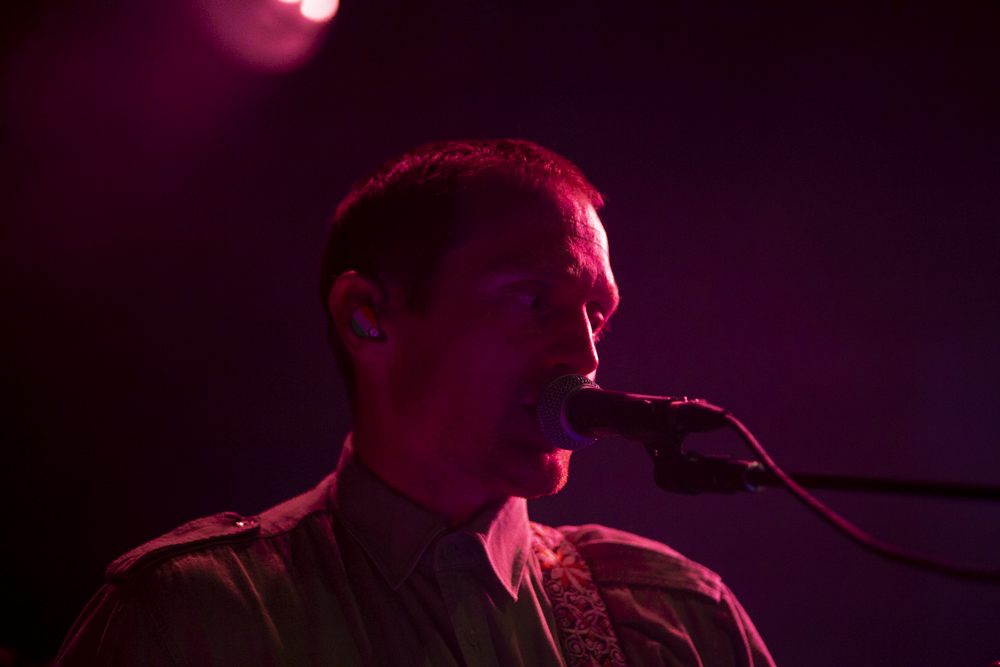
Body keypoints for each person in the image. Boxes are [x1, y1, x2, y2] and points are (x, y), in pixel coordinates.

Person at [56, 139, 775, 666]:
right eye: (534, 300)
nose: (586, 359)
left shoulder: (682, 619)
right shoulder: (195, 618)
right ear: (366, 316)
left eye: (597, 316)